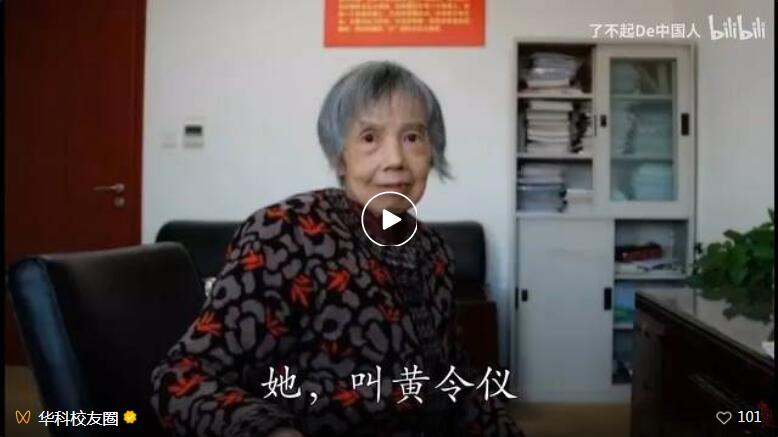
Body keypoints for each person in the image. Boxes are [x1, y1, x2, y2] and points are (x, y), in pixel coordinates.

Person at [150, 61, 524, 437]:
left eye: (412, 137)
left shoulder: (433, 251)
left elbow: (452, 380)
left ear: (432, 152)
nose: (395, 160)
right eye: (369, 138)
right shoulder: (286, 234)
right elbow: (182, 380)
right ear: (338, 156)